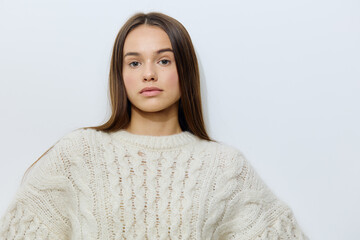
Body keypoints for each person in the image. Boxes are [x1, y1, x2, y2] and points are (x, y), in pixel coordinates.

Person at [0, 12, 308, 239]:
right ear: (120, 75)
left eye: (163, 60)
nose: (149, 74)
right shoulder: (80, 152)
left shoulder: (224, 166)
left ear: (184, 70)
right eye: (134, 62)